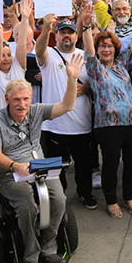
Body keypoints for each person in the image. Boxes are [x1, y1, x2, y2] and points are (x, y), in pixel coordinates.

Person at [0, 58, 83, 263]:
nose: (22, 104)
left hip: (40, 163)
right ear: (7, 99)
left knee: (59, 198)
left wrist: (71, 78)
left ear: (31, 99)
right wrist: (14, 166)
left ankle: (48, 247)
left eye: (26, 99)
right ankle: (30, 254)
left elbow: (67, 106)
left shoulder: (36, 110)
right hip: (12, 171)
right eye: (17, 100)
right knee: (27, 203)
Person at [80, 4, 132, 219]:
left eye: (109, 46)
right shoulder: (95, 68)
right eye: (102, 47)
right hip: (108, 126)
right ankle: (111, 200)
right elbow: (88, 51)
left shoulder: (120, 63)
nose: (106, 49)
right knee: (111, 164)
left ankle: (128, 196)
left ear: (115, 48)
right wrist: (87, 27)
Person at [35, 14, 97, 209]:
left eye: (70, 33)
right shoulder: (49, 55)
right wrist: (46, 28)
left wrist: (85, 89)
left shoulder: (84, 56)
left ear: (76, 36)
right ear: (56, 35)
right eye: (62, 33)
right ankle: (58, 197)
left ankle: (84, 193)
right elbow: (39, 50)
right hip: (54, 125)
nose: (66, 36)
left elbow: (96, 85)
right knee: (54, 167)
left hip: (81, 124)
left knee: (83, 165)